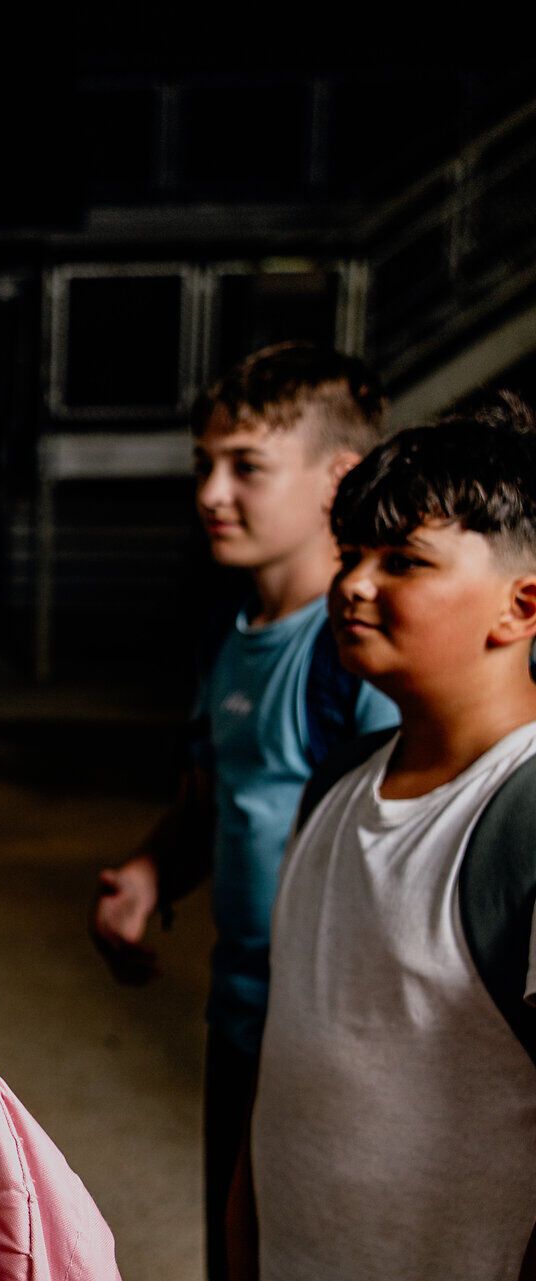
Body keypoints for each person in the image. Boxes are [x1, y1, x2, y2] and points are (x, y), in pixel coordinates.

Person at [88, 342, 397, 1280]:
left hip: (335, 1041)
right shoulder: (234, 633)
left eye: (247, 467)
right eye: (204, 465)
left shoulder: (362, 651)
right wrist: (151, 871)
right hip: (241, 1019)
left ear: (338, 477)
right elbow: (213, 794)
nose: (212, 493)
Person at [231, 402, 536, 1280]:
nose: (354, 584)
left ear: (521, 606)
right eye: (351, 554)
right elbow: (286, 1063)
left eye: (402, 560)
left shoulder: (520, 820)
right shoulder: (337, 781)